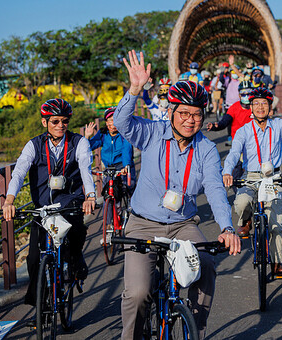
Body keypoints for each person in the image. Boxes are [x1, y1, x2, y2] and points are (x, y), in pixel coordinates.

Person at [115, 50, 241, 340]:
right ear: (171, 112)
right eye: (183, 113)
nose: (190, 120)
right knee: (138, 293)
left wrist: (226, 227)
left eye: (197, 114)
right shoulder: (152, 133)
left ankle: (194, 327)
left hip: (183, 225)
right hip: (143, 223)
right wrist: (134, 90)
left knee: (207, 265)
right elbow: (122, 123)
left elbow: (215, 189)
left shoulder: (206, 149)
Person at [2, 98, 96, 312]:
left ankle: (75, 258)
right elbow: (18, 173)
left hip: (69, 202)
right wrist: (9, 200)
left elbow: (85, 169)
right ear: (45, 122)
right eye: (54, 121)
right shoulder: (33, 145)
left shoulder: (79, 142)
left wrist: (90, 196)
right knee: (35, 258)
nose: (60, 125)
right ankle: (39, 304)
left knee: (76, 232)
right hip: (43, 207)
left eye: (64, 121)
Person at [222, 85, 282, 277]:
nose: (260, 107)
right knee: (242, 202)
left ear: (270, 107)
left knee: (276, 224)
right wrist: (227, 171)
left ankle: (277, 263)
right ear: (250, 107)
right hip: (251, 176)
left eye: (264, 103)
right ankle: (246, 220)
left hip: (273, 178)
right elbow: (234, 153)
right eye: (256, 103)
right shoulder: (243, 131)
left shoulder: (278, 125)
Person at [84, 107, 137, 188]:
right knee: (107, 192)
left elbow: (126, 149)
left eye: (115, 120)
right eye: (110, 120)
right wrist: (87, 136)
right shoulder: (103, 134)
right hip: (109, 167)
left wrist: (126, 165)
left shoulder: (124, 134)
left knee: (128, 188)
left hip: (123, 165)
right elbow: (90, 146)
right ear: (106, 122)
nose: (112, 123)